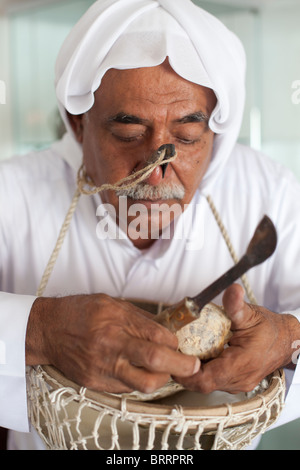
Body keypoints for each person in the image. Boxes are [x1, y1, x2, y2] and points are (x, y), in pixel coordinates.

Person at [1, 0, 300, 451]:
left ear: (216, 131)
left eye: (186, 136)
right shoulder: (12, 192)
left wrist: (289, 337)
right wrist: (38, 330)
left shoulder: (271, 190)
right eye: (129, 133)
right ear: (79, 126)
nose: (158, 168)